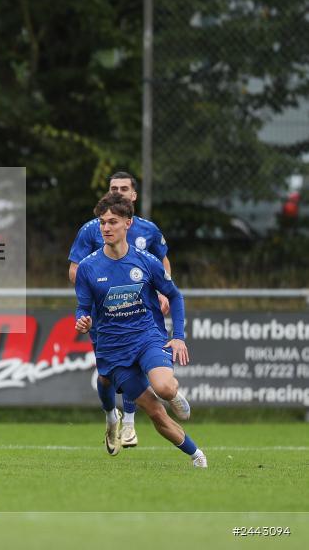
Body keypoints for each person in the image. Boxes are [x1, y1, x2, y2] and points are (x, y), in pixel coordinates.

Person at [74, 192, 207, 468]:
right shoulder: (88, 268)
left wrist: (179, 337)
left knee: (165, 387)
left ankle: (174, 394)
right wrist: (83, 320)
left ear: (128, 224)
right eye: (102, 223)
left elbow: (175, 296)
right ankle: (197, 456)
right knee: (156, 412)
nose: (106, 228)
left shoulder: (146, 261)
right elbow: (83, 308)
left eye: (112, 222)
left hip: (147, 337)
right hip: (114, 350)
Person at [68, 171, 172, 449]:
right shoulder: (92, 229)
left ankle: (129, 423)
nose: (120, 192)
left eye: (125, 188)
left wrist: (163, 291)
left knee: (138, 362)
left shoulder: (147, 229)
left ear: (134, 195)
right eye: (114, 188)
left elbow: (163, 263)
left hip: (138, 312)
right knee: (105, 376)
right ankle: (110, 416)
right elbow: (76, 269)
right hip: (104, 315)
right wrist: (90, 292)